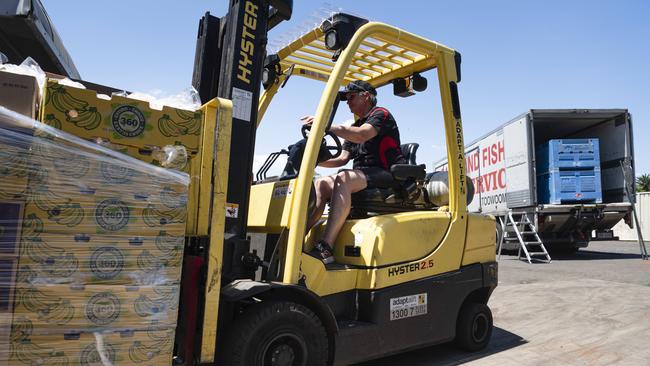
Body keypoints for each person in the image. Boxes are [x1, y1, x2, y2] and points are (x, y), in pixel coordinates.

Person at [303, 80, 406, 264]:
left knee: (344, 177)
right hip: (364, 175)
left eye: (351, 97)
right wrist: (315, 161)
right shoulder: (356, 124)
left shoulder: (380, 114)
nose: (348, 102)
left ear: (365, 96)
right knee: (322, 183)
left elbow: (362, 135)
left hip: (387, 173)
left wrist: (324, 125)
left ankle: (326, 246)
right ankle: (300, 234)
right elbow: (342, 158)